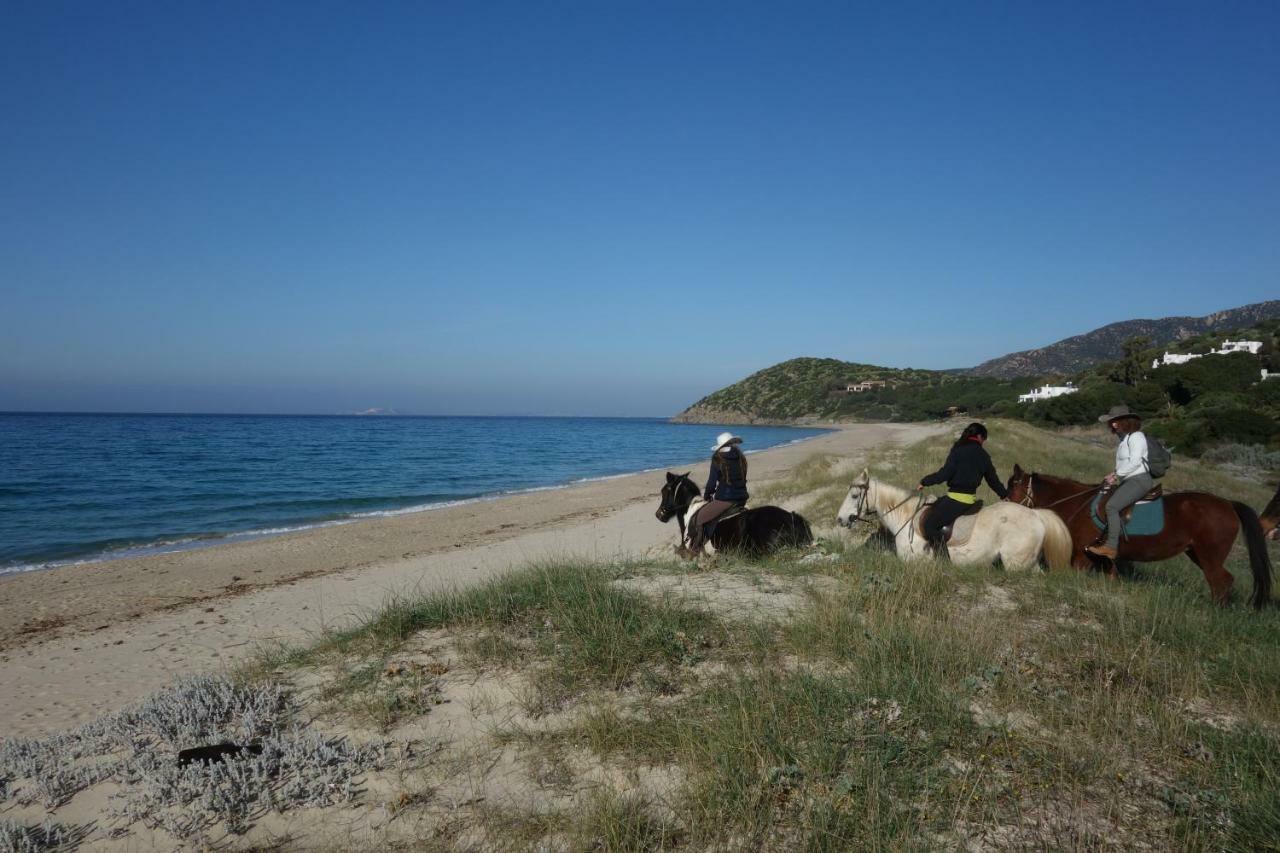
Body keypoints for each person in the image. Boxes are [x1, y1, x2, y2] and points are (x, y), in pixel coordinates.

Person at [917, 422, 1007, 555]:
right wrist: (1004, 494)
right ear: (979, 437)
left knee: (929, 526)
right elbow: (992, 480)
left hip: (956, 499)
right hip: (969, 499)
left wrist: (924, 481)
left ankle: (943, 563)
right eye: (984, 440)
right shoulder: (984, 455)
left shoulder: (958, 451)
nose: (983, 443)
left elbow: (944, 474)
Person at [1086, 405, 1151, 560]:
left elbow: (1135, 462)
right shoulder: (1125, 439)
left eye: (1116, 421)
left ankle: (1111, 547)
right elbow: (1126, 463)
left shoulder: (1136, 436)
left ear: (1126, 421)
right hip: (1130, 479)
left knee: (1111, 506)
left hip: (1139, 480)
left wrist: (1116, 475)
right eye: (1111, 421)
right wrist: (1114, 474)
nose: (1113, 424)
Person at [685, 431, 749, 555]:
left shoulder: (718, 458)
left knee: (700, 518)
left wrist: (707, 496)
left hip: (725, 499)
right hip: (742, 498)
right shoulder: (740, 456)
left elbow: (711, 483)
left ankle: (695, 550)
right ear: (732, 443)